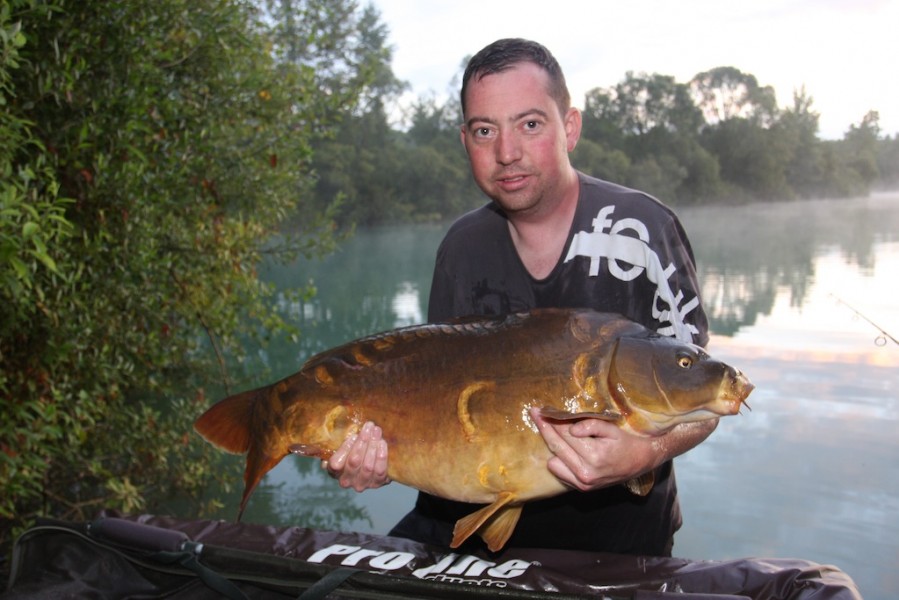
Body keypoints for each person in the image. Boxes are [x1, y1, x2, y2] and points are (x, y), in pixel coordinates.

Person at [323, 38, 715, 557]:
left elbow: (703, 397)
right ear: (466, 140)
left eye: (529, 124)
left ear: (569, 127)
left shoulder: (643, 231)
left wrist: (645, 453)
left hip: (622, 547)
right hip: (482, 538)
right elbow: (439, 405)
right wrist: (383, 457)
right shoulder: (461, 251)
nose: (506, 152)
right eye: (486, 131)